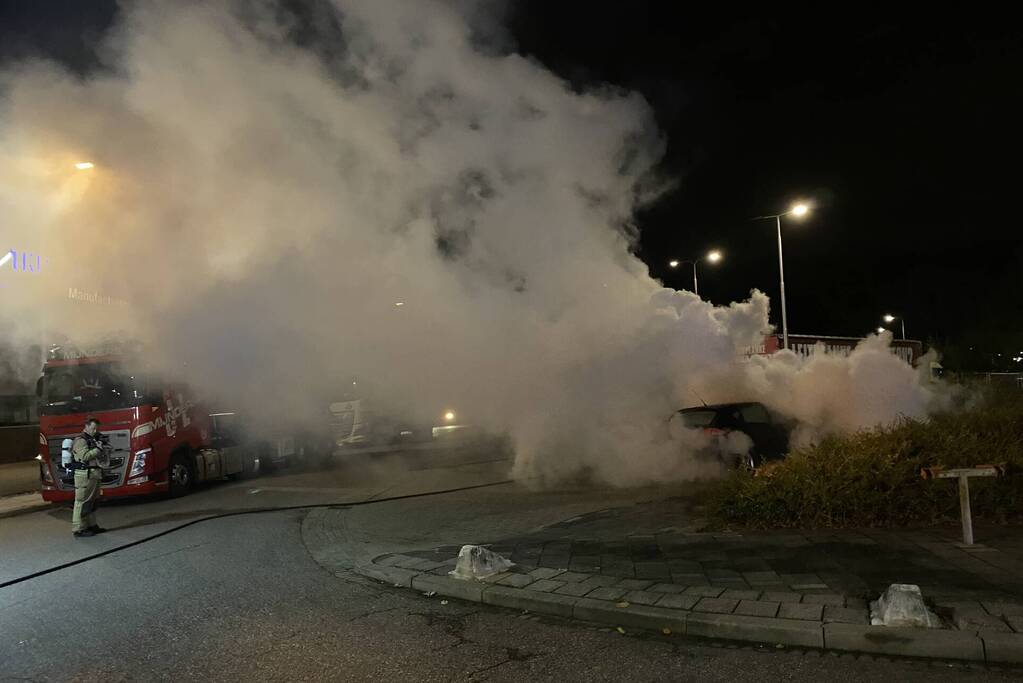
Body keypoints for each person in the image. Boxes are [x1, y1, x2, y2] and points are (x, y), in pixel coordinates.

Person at [71, 416, 108, 538]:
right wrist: (98, 449)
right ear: (86, 427)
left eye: (97, 428)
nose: (95, 431)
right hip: (84, 475)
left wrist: (102, 444)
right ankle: (79, 528)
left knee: (93, 501)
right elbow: (84, 456)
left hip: (93, 474)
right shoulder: (80, 440)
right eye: (93, 428)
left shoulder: (92, 439)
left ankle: (92, 525)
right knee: (82, 502)